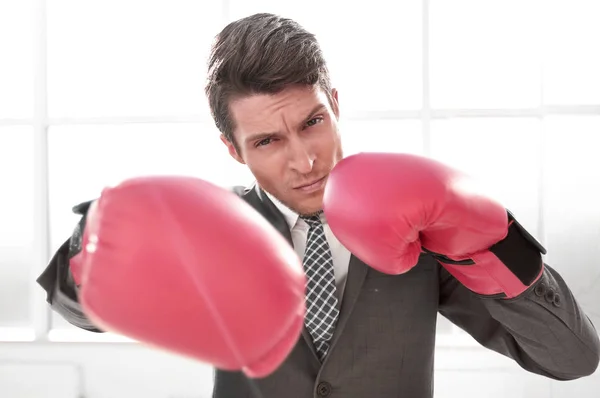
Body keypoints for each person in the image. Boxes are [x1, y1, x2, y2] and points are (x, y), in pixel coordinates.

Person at [37, 12, 600, 398]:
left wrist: (492, 240)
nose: (305, 161)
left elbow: (573, 359)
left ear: (334, 103)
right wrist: (103, 235)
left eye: (312, 123)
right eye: (268, 141)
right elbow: (73, 308)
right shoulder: (213, 227)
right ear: (233, 150)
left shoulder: (422, 224)